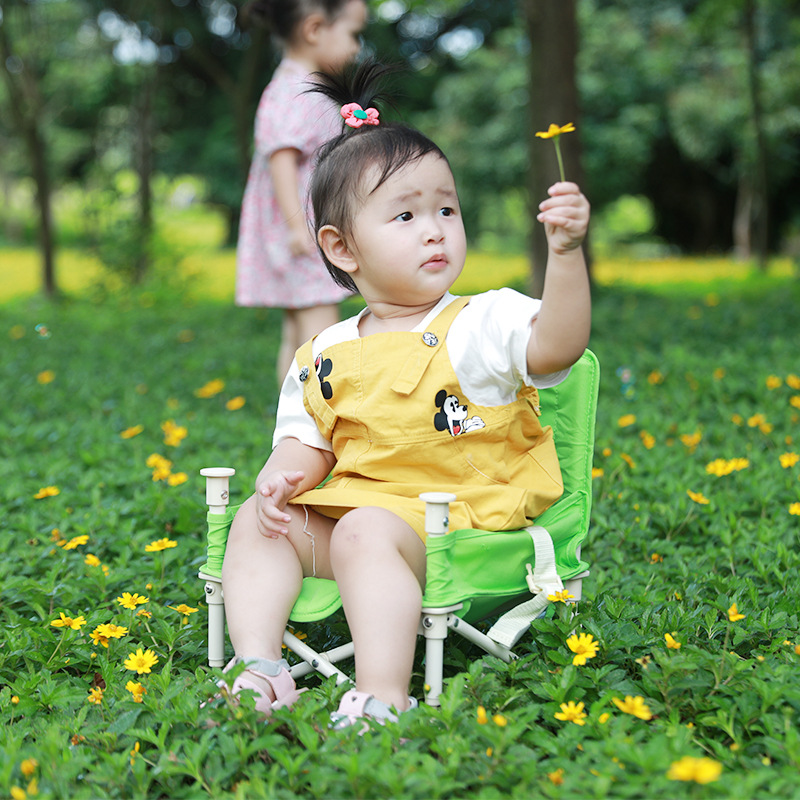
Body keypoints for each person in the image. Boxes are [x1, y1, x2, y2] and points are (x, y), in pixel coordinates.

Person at [219, 61, 592, 727]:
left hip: (461, 525)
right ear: (342, 248)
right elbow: (307, 443)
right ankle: (260, 665)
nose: (434, 229)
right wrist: (281, 478)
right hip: (366, 519)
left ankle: (382, 693)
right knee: (257, 520)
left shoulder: (481, 321)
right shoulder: (324, 351)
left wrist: (564, 256)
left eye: (446, 209)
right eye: (406, 215)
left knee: (363, 529)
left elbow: (555, 347)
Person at [235, 0, 367, 381]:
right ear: (314, 30)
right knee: (320, 336)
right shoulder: (300, 90)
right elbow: (281, 157)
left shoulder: (292, 85)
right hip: (304, 232)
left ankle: (291, 424)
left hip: (298, 230)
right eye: (353, 34)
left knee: (297, 335)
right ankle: (314, 424)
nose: (357, 48)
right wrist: (297, 226)